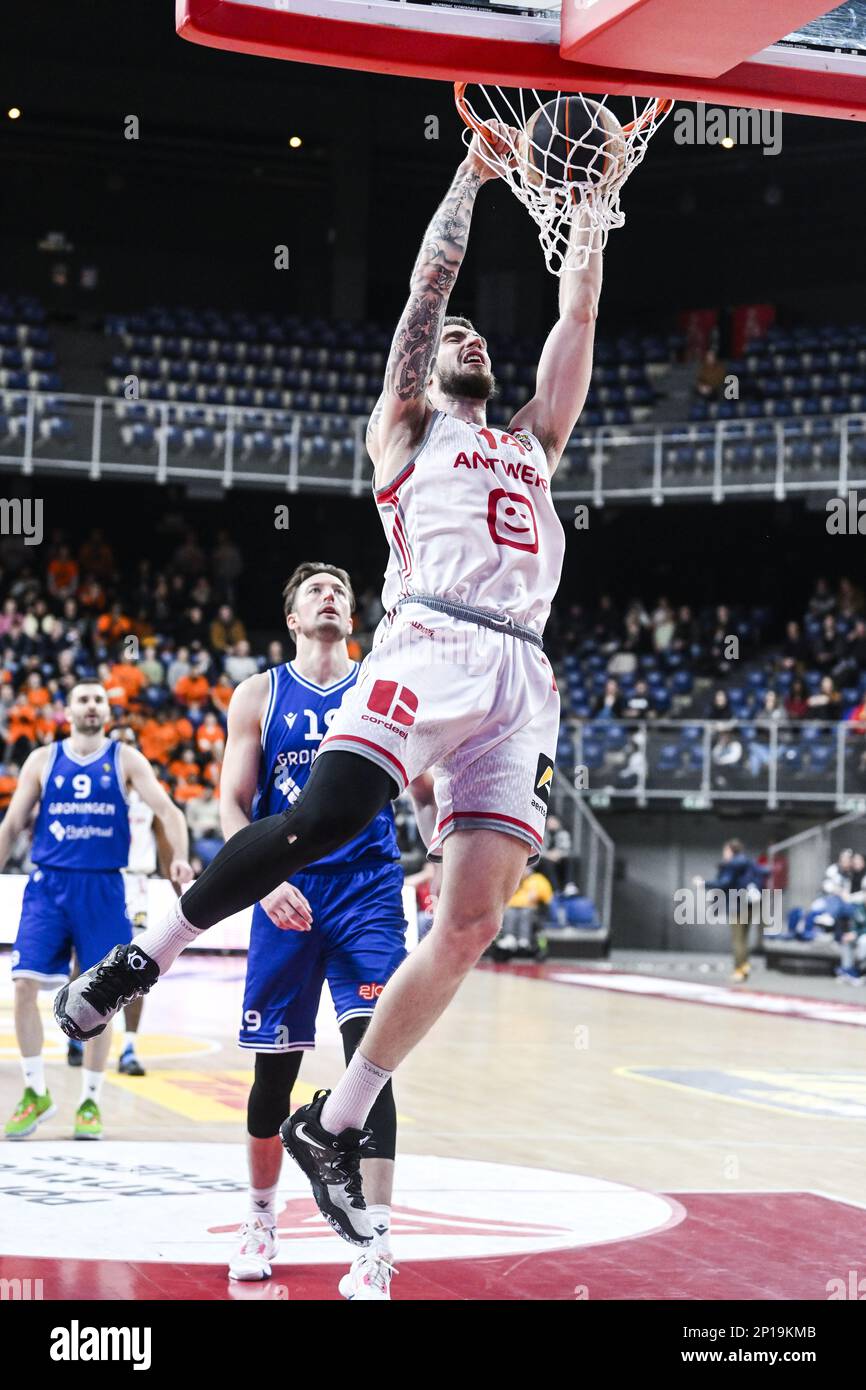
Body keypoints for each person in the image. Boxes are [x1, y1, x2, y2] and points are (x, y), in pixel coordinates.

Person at [57, 120, 597, 1246]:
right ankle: (138, 956)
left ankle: (336, 1120)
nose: (465, 340)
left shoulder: (533, 445)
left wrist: (586, 228)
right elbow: (426, 284)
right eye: (452, 338)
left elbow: (574, 323)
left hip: (520, 673)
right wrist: (471, 174)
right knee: (327, 811)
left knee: (469, 922)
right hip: (429, 637)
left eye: (475, 340)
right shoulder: (404, 426)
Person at [223, 563, 434, 1298]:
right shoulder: (259, 694)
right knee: (272, 1074)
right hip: (287, 890)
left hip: (368, 889)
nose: (330, 596)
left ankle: (375, 1242)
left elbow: (428, 786)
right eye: (315, 590)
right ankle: (259, 1217)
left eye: (341, 591)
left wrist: (447, 844)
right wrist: (265, 879)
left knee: (371, 1062)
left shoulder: (381, 690)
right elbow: (232, 805)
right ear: (291, 617)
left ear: (353, 616)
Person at [1, 683, 191, 1139]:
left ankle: (89, 1101)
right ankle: (34, 1091)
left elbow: (170, 812)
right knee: (24, 985)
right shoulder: (42, 760)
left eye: (98, 700)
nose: (91, 706)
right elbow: (10, 824)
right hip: (48, 885)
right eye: (82, 699)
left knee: (99, 998)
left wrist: (180, 858)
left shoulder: (125, 758)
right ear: (67, 711)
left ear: (106, 710)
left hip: (104, 886)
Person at [695, 839, 769, 982]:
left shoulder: (732, 865)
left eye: (725, 850)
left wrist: (703, 883)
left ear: (730, 850)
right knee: (744, 938)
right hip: (751, 903)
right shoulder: (750, 862)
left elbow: (724, 883)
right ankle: (745, 965)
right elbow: (765, 872)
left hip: (737, 904)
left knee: (737, 939)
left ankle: (739, 970)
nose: (724, 853)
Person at [496, 864, 554, 955]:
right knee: (509, 913)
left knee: (525, 913)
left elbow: (548, 897)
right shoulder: (514, 880)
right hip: (512, 907)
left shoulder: (538, 879)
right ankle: (509, 937)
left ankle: (524, 939)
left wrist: (537, 895)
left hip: (532, 908)